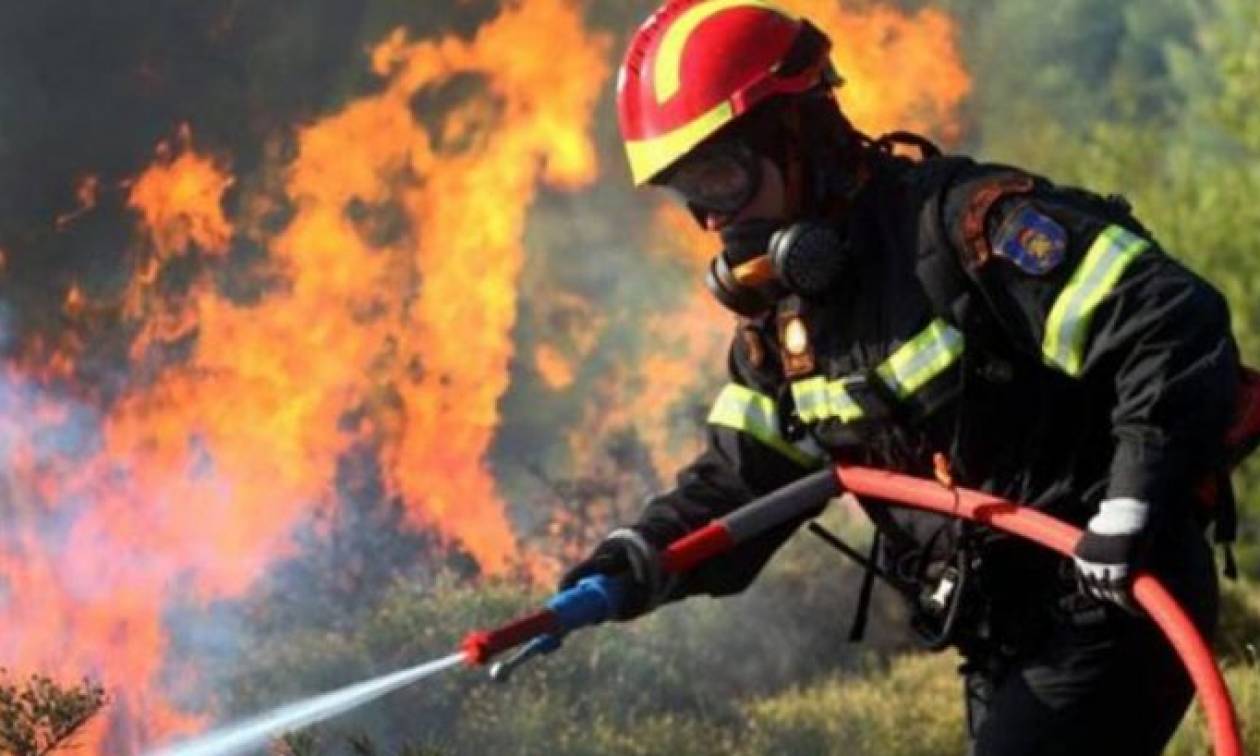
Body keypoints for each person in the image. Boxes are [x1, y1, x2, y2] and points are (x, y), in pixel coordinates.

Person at [561, 1, 1245, 754]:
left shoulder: (966, 230)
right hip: (1001, 634)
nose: (715, 222)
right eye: (691, 195)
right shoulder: (786, 329)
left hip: (1113, 594)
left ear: (798, 136)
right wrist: (635, 559)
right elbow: (745, 477)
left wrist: (1132, 508)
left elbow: (1169, 322)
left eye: (721, 178)